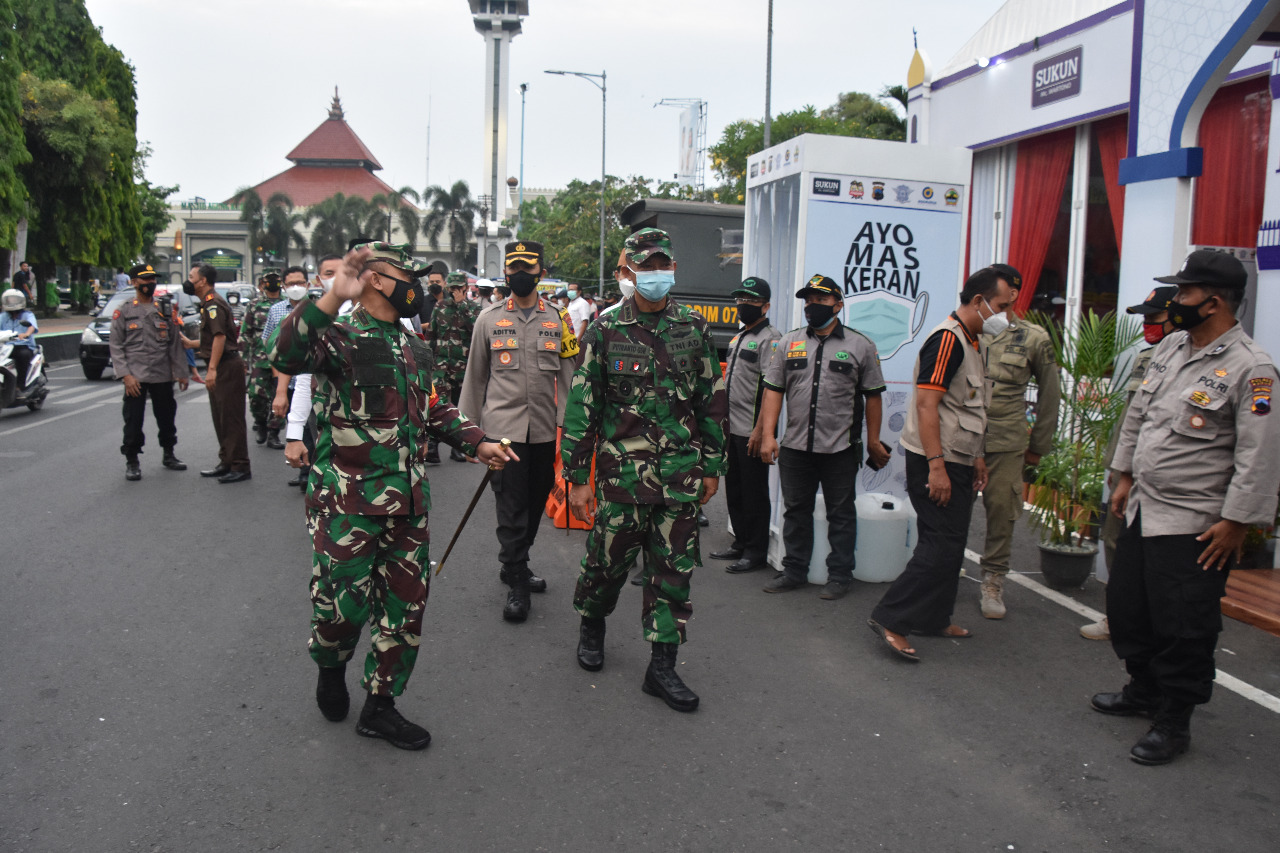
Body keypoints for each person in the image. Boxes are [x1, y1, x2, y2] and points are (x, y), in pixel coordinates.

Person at [269, 241, 515, 751]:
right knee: (340, 609)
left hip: (408, 505)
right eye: (409, 275)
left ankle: (381, 705)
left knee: (404, 611)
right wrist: (335, 293)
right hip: (347, 505)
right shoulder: (337, 336)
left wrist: (480, 442)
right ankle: (331, 667)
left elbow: (436, 410)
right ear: (377, 279)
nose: (419, 286)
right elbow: (285, 353)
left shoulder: (415, 347)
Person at [1095, 251, 1280, 765]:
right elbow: (1140, 412)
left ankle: (1173, 721)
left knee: (1184, 626)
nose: (1175, 302)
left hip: (1196, 523)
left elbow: (1260, 453)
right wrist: (1125, 472)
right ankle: (1143, 690)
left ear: (1214, 301)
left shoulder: (1253, 369)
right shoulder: (1175, 345)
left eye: (1184, 293)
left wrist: (1237, 521)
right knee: (1130, 607)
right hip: (1144, 507)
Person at [563, 227, 728, 713]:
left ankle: (662, 666)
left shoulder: (693, 327)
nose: (655, 275)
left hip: (680, 476)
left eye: (662, 266)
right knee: (605, 566)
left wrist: (713, 465)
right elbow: (583, 408)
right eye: (645, 268)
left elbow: (710, 400)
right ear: (626, 274)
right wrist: (577, 479)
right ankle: (592, 623)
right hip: (622, 478)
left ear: (672, 269)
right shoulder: (605, 328)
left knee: (672, 572)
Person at [868, 266, 1015, 660]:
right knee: (939, 545)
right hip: (939, 460)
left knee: (952, 545)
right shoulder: (947, 341)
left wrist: (978, 457)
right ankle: (891, 617)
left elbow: (968, 407)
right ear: (979, 301)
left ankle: (934, 617)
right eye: (1003, 306)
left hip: (960, 457)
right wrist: (937, 467)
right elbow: (927, 404)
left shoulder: (974, 340)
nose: (1008, 316)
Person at [459, 241, 579, 621]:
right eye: (514, 268)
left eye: (529, 267)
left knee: (534, 502)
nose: (521, 274)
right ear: (506, 274)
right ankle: (516, 582)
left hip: (544, 432)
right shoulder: (488, 320)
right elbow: (474, 380)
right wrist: (468, 436)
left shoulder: (558, 320)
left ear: (541, 272)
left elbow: (570, 377)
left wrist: (572, 429)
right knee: (511, 509)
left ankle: (517, 561)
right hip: (502, 435)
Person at [750, 274, 889, 598]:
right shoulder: (789, 342)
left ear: (838, 305)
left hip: (839, 447)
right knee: (795, 511)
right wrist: (768, 435)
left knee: (841, 513)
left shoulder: (861, 345)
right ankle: (794, 570)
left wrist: (874, 440)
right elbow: (773, 391)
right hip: (796, 446)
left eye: (821, 300)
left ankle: (840, 576)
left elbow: (874, 395)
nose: (812, 306)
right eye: (808, 301)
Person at [1081, 286, 1177, 641]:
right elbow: (1130, 418)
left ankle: (1150, 621)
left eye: (1155, 318)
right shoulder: (1146, 358)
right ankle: (1117, 617)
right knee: (1116, 540)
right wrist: (1118, 467)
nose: (1148, 325)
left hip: (1166, 476)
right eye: (1145, 318)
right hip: (1129, 469)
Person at [977, 263, 1061, 618]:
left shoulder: (1034, 338)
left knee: (1002, 511)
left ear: (1012, 294)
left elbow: (1050, 394)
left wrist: (1038, 446)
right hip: (962, 438)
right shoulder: (968, 330)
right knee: (947, 510)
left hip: (1005, 440)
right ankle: (944, 572)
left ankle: (993, 580)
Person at [109, 263, 189, 480]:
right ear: (134, 282)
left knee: (166, 417)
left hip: (162, 373)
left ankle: (169, 454)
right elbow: (116, 346)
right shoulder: (124, 311)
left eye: (152, 279)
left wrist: (182, 372)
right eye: (145, 280)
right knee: (133, 421)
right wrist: (126, 375)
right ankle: (132, 460)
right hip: (135, 376)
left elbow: (174, 343)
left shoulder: (164, 309)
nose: (150, 283)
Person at [182, 263, 251, 483]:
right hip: (221, 365)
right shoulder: (207, 304)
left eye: (191, 276)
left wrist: (211, 369)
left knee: (231, 418)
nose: (189, 280)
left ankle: (240, 465)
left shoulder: (213, 304)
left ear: (202, 281)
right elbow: (212, 340)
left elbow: (221, 338)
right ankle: (227, 461)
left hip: (226, 367)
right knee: (220, 417)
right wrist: (191, 343)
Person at [283, 255, 344, 489]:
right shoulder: (316, 320)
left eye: (342, 272)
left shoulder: (383, 314)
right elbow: (304, 378)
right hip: (328, 423)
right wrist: (294, 434)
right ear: (319, 280)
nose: (337, 279)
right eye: (329, 273)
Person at [426, 271, 480, 462]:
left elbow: (476, 331)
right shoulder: (440, 306)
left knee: (459, 408)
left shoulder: (473, 308)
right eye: (452, 288)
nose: (455, 291)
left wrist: (462, 306)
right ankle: (432, 447)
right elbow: (432, 333)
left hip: (463, 366)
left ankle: (458, 447)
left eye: (459, 288)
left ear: (465, 288)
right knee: (437, 404)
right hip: (441, 365)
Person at [242, 272, 285, 447]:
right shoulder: (254, 305)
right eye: (270, 281)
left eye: (276, 280)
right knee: (256, 395)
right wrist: (244, 360)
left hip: (282, 361)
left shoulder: (288, 304)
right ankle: (260, 422)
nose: (273, 283)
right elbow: (246, 333)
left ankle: (273, 433)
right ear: (263, 284)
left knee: (280, 397)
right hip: (261, 359)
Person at [1, 287, 38, 386]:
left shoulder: (27, 315)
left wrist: (26, 334)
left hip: (23, 346)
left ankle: (20, 386)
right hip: (5, 347)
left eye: (14, 300)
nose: (12, 302)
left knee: (22, 356)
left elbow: (32, 326)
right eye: (9, 300)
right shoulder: (3, 316)